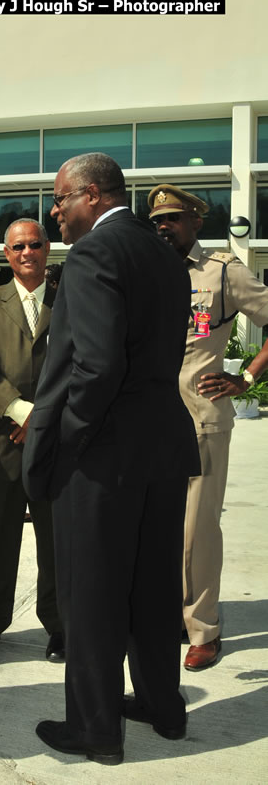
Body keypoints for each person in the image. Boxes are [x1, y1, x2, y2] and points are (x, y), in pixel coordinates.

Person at [23, 154, 199, 765]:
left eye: (60, 199)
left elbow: (95, 367)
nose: (55, 212)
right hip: (164, 449)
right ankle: (161, 705)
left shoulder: (96, 254)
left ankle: (95, 729)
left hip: (104, 456)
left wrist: (69, 441)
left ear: (92, 195)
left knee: (92, 594)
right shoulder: (166, 254)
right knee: (152, 588)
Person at [147, 183, 268, 670]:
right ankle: (173, 615)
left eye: (173, 218)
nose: (164, 226)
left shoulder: (222, 272)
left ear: (196, 222)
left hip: (201, 417)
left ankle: (204, 629)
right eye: (158, 220)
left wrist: (246, 377)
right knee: (161, 525)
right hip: (150, 419)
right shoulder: (149, 270)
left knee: (197, 529)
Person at [0, 218, 63, 663]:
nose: (27, 253)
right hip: (2, 439)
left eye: (35, 244)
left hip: (58, 439)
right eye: (18, 246)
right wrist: (20, 410)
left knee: (58, 541)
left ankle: (60, 626)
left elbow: (83, 362)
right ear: (6, 254)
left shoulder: (71, 299)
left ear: (48, 249)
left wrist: (44, 417)